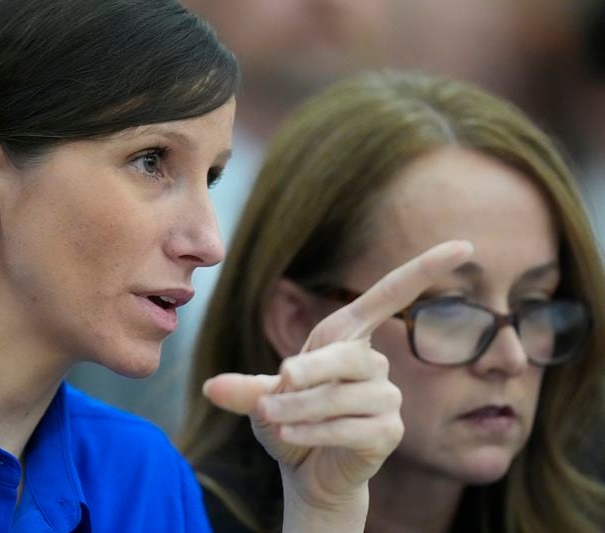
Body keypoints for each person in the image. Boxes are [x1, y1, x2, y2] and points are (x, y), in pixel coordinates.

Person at [0, 2, 472, 531]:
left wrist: (323, 507)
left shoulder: (144, 478)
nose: (208, 241)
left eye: (210, 177)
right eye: (152, 160)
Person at [182, 70, 605, 532]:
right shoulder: (162, 515)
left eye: (536, 301)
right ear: (296, 320)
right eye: (450, 306)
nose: (511, 357)